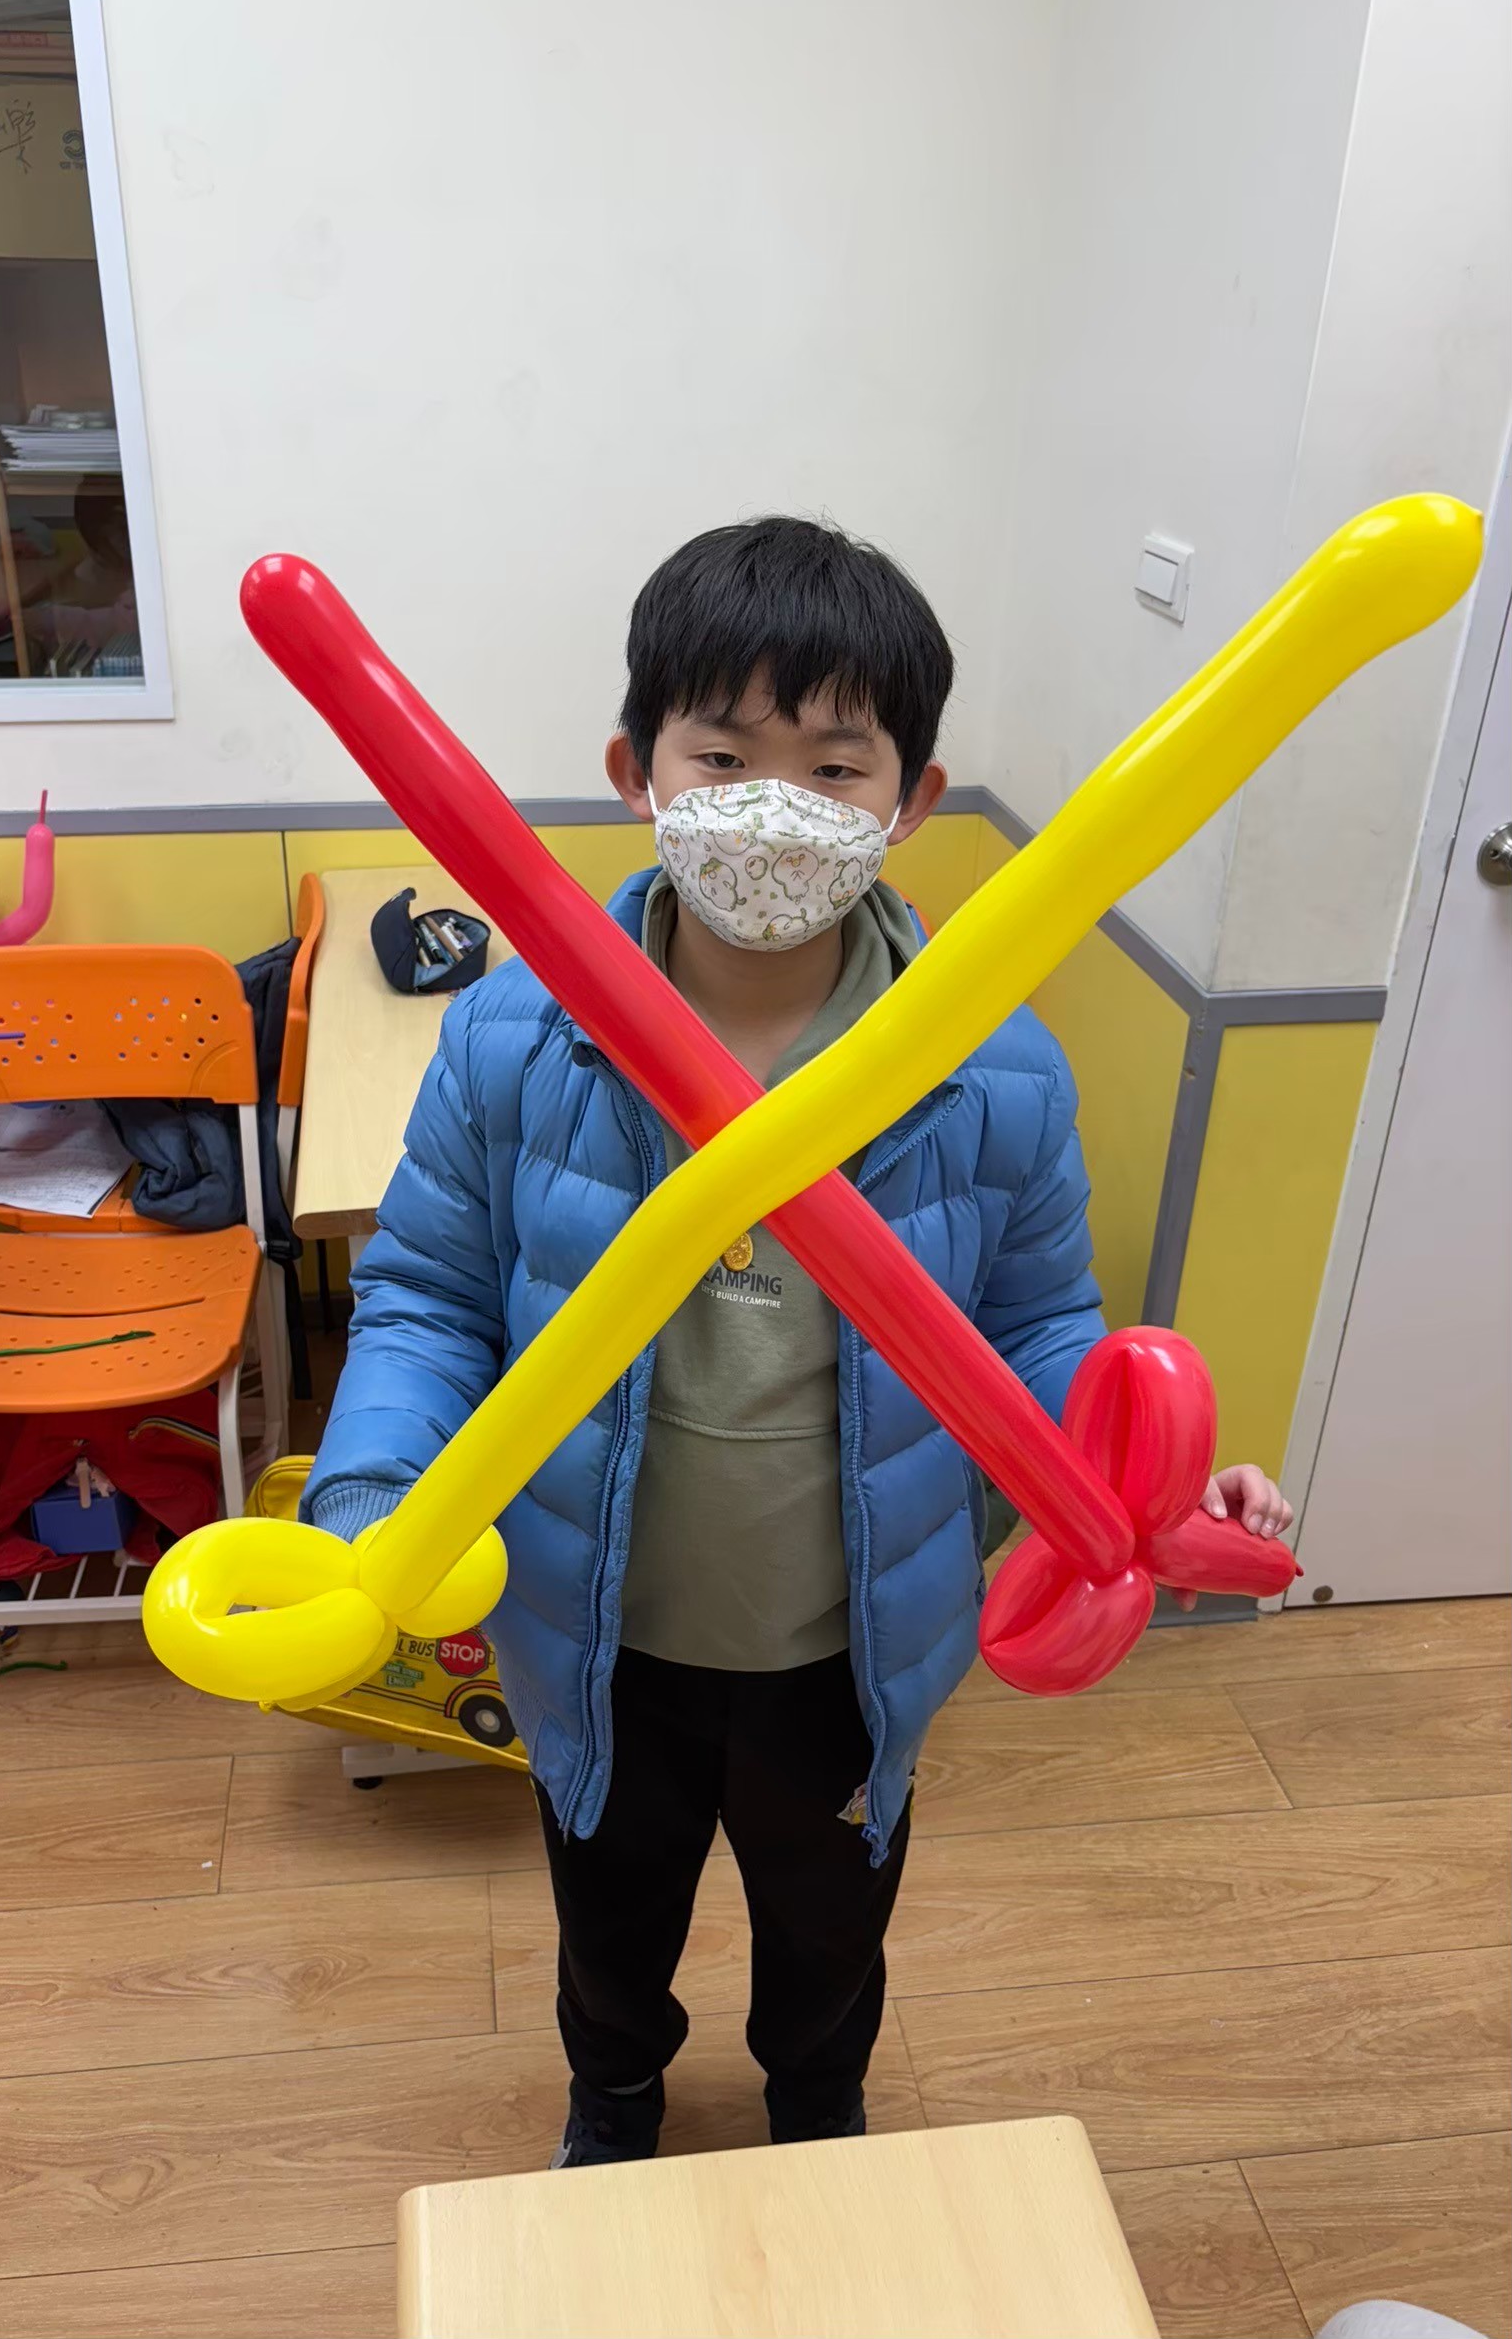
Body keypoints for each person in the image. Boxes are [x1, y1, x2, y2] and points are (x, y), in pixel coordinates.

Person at [301, 517, 1293, 2166]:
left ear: (910, 800)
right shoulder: (515, 1035)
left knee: (828, 1934)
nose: (774, 806)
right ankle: (614, 2103)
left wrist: (1140, 1483)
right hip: (593, 1629)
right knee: (609, 1922)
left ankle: (818, 2114)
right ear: (635, 769)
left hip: (853, 1641)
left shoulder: (992, 1066)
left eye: (834, 766)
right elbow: (428, 1300)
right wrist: (369, 1508)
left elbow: (1037, 1324)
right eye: (722, 755)